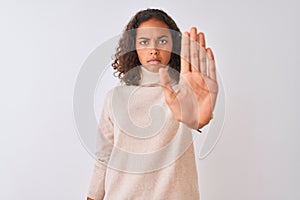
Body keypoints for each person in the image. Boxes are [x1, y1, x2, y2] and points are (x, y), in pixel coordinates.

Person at [87, 8, 218, 200]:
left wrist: (198, 118)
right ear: (134, 48)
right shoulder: (115, 97)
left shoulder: (182, 94)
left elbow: (195, 118)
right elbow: (103, 158)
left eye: (163, 41)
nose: (154, 49)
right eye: (144, 41)